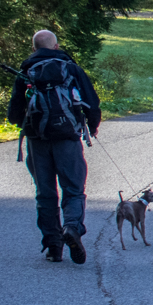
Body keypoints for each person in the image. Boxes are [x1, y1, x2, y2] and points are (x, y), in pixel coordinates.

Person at [7, 30, 101, 264]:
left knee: (45, 193)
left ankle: (53, 247)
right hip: (67, 137)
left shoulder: (26, 71)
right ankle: (72, 227)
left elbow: (13, 113)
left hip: (37, 140)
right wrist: (92, 125)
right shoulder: (70, 68)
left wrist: (29, 127)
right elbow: (92, 101)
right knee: (74, 188)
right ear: (56, 46)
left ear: (34, 48)